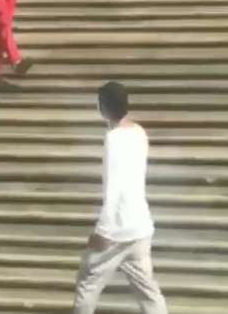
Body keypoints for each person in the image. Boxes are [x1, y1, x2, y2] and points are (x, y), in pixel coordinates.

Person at [71, 82, 169, 314]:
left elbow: (113, 188)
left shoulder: (113, 139)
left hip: (115, 231)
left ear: (103, 107)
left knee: (87, 284)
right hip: (140, 227)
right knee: (149, 293)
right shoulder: (139, 132)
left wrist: (102, 231)